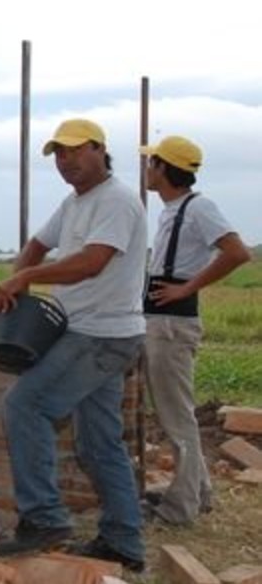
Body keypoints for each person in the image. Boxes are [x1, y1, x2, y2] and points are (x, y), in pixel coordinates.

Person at [0, 118, 147, 572]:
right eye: (58, 153)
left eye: (75, 150)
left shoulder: (117, 200)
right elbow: (38, 243)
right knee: (99, 444)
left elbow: (92, 263)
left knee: (24, 404)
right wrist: (17, 281)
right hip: (92, 333)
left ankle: (44, 518)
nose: (66, 160)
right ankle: (124, 543)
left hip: (100, 334)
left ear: (100, 149)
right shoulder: (75, 202)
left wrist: (26, 278)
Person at [139, 136, 251, 526]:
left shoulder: (198, 207)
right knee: (175, 413)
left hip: (172, 324)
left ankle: (180, 508)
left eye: (151, 163)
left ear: (165, 168)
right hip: (161, 319)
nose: (146, 170)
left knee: (175, 417)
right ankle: (197, 492)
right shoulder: (173, 210)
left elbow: (237, 252)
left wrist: (187, 287)